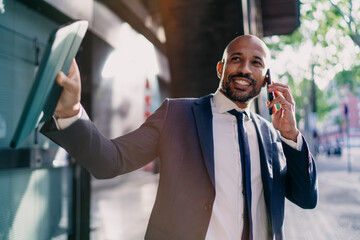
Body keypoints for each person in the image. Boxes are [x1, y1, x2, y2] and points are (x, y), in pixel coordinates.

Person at [41, 35, 318, 240]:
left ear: (266, 77)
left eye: (255, 63)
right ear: (221, 69)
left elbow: (306, 198)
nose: (245, 69)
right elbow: (110, 161)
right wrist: (71, 112)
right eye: (236, 59)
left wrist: (291, 135)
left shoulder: (270, 135)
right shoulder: (177, 114)